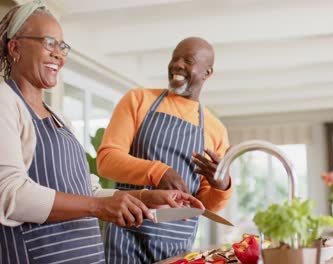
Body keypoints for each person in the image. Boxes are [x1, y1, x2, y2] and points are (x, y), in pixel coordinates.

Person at [0, 1, 203, 263]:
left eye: (62, 47)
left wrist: (145, 197)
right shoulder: (4, 102)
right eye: (49, 43)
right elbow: (10, 195)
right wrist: (98, 207)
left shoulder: (59, 118)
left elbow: (89, 191)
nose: (59, 55)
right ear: (15, 47)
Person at [97, 36, 233, 262]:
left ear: (207, 73)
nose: (177, 65)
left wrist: (222, 186)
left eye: (188, 60)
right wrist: (159, 171)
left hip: (176, 246)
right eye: (174, 58)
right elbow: (107, 160)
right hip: (125, 236)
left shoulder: (216, 129)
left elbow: (205, 205)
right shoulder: (138, 100)